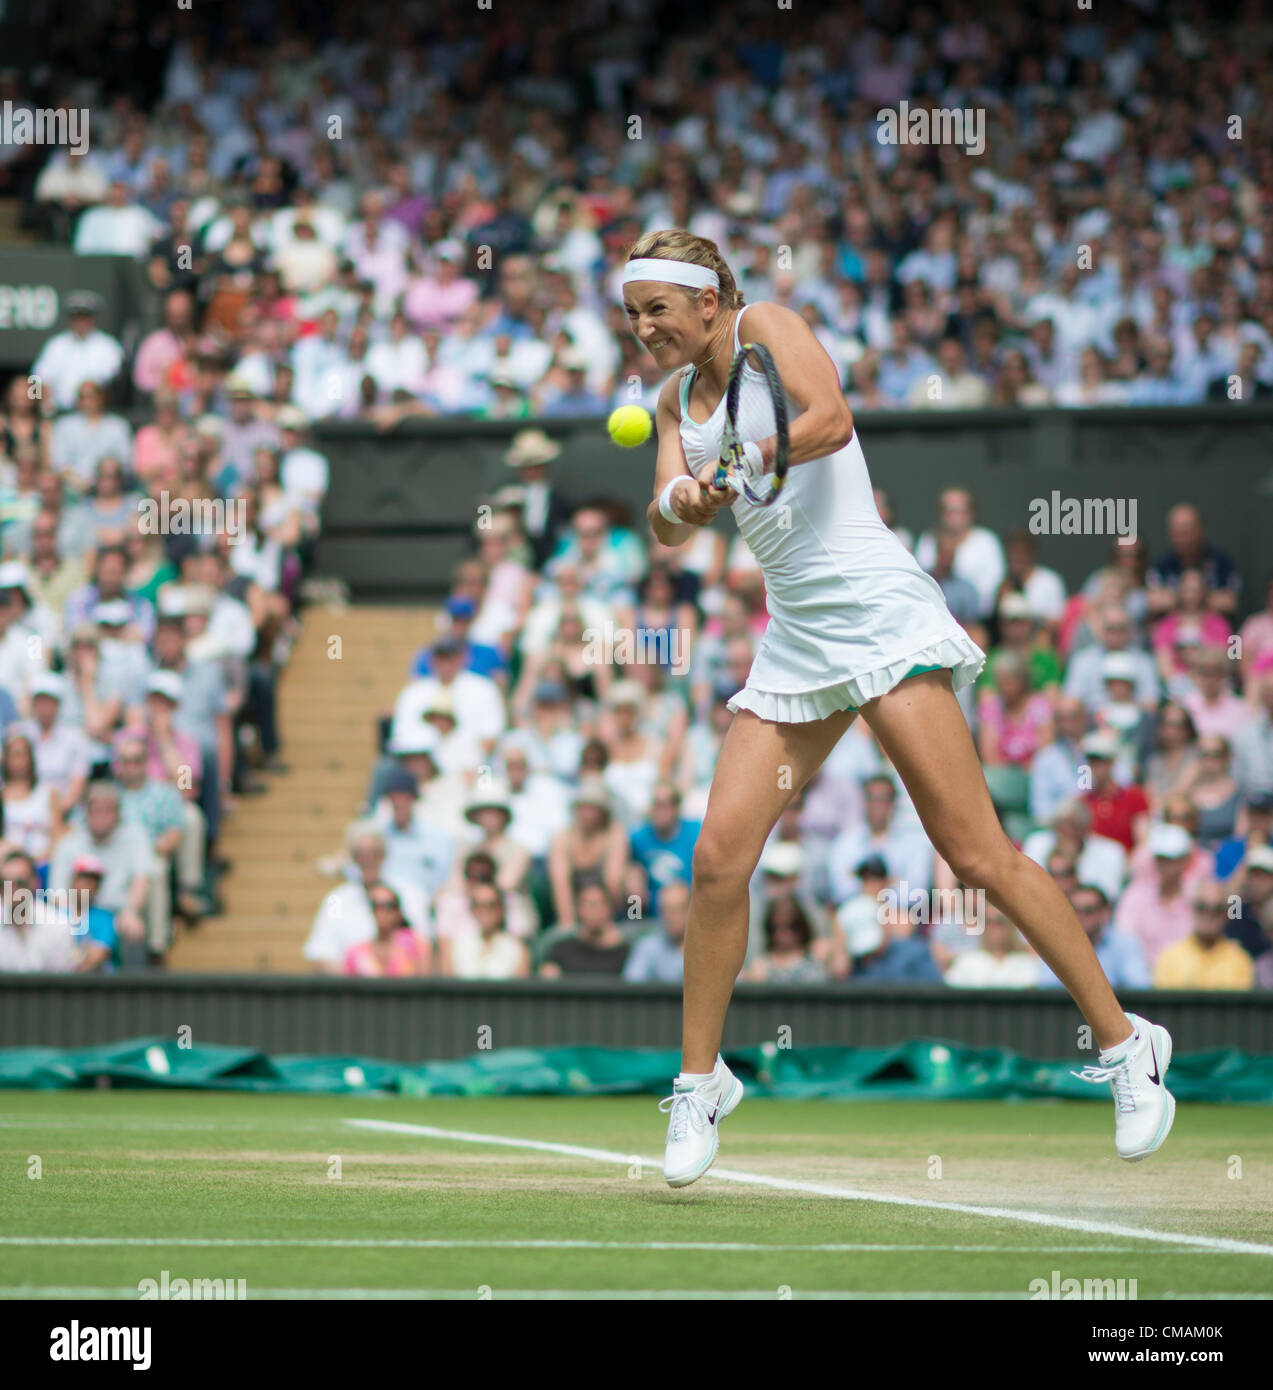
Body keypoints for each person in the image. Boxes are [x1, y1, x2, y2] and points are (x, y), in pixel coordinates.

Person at [628, 231, 1173, 1187]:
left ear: (708, 302)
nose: (642, 330)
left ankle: (1129, 1046)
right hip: (796, 635)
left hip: (878, 614)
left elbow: (830, 419)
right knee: (717, 859)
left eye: (656, 311)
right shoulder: (670, 400)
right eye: (632, 315)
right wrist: (682, 498)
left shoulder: (770, 324)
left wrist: (748, 456)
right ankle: (701, 1080)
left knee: (973, 853)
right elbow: (664, 528)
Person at [1152, 877, 1255, 990]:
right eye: (1202, 907)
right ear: (1193, 909)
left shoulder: (1240, 961)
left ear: (1226, 914)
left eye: (1217, 909)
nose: (1209, 915)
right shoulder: (1170, 958)